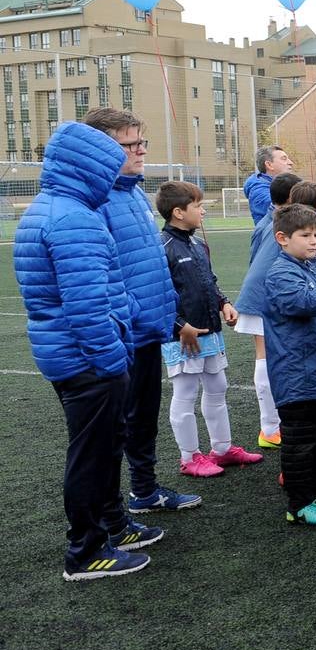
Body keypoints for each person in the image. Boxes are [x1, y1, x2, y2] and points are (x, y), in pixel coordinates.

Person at [18, 123, 157, 580]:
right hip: (87, 361)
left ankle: (111, 526)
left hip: (73, 356)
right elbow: (86, 306)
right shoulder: (73, 217)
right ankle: (87, 550)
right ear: (90, 165)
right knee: (93, 455)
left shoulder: (56, 208)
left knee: (100, 449)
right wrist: (112, 358)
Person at [86, 108, 200, 516]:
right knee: (119, 426)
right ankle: (113, 513)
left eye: (141, 142)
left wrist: (165, 314)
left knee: (143, 419)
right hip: (125, 332)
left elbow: (146, 262)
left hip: (150, 328)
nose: (140, 151)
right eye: (129, 144)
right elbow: (106, 271)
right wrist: (133, 313)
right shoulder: (96, 199)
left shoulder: (132, 191)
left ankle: (145, 491)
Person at [156, 181, 259, 478]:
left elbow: (208, 281)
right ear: (178, 212)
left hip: (209, 331)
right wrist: (179, 326)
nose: (203, 211)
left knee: (218, 387)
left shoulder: (198, 244)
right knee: (185, 392)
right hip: (182, 336)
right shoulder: (162, 247)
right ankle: (189, 458)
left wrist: (223, 303)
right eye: (198, 206)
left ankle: (222, 449)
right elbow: (157, 295)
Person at [263, 203, 316, 525]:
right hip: (295, 370)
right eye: (306, 235)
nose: (314, 241)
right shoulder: (280, 272)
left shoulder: (313, 266)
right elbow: (306, 302)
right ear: (283, 238)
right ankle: (298, 504)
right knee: (298, 441)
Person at [235, 171, 303, 449]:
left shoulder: (268, 218)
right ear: (291, 198)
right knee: (266, 358)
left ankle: (272, 426)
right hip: (263, 298)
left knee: (267, 358)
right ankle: (270, 428)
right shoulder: (280, 224)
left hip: (259, 294)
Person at [244, 145, 294, 224]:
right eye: (284, 159)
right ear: (269, 165)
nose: (291, 163)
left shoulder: (287, 184)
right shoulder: (258, 192)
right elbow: (292, 215)